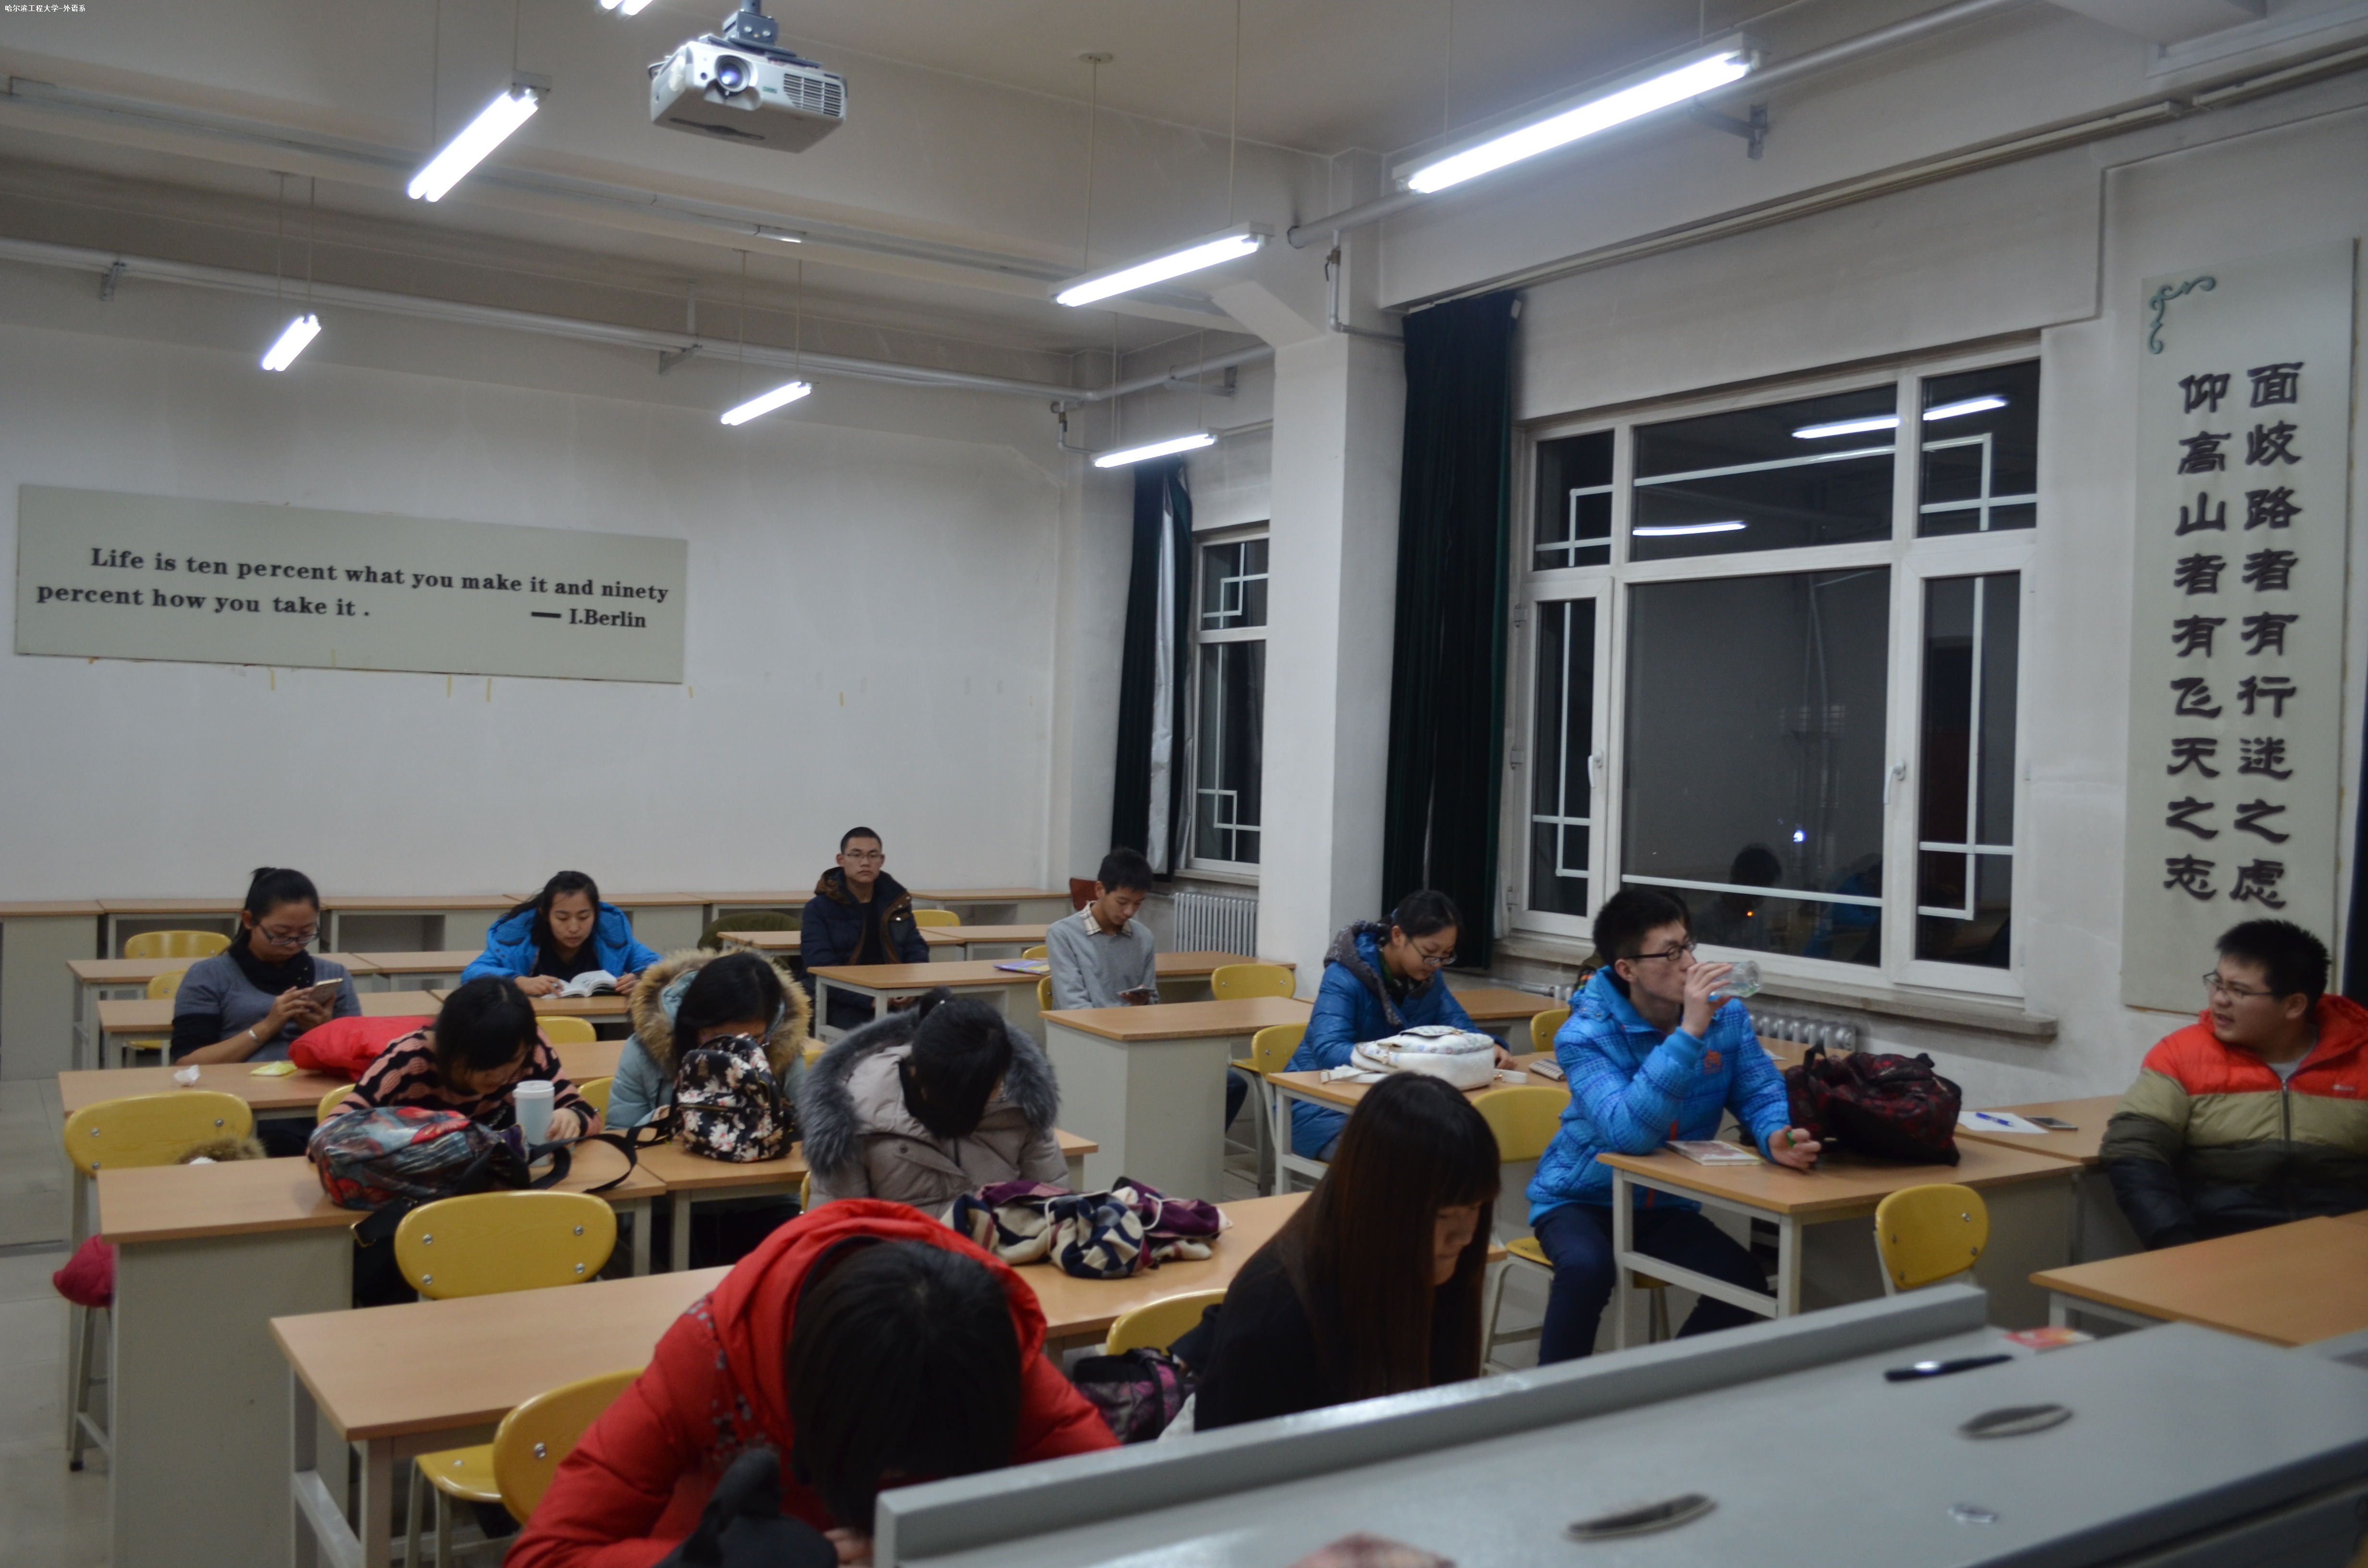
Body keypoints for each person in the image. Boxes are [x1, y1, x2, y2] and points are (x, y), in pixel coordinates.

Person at [505, 1201, 1117, 1568]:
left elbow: (1125, 1519)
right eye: (884, 1464)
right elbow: (545, 1556)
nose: (897, 1481)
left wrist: (945, 1548)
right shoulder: (713, 1358)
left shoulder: (981, 1352)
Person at [1526, 888, 1820, 1363]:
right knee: (1587, 1269)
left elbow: (1758, 1089)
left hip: (1663, 1202)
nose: (1689, 964)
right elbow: (1629, 1135)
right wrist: (1689, 1033)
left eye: (1687, 946)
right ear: (1627, 969)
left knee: (1743, 1282)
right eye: (1669, 954)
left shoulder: (1726, 1016)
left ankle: (1668, 1388)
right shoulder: (1584, 1036)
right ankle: (1550, 1402)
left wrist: (1774, 1134)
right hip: (1581, 1199)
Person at [1191, 1074, 1497, 1429]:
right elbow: (1243, 1460)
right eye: (1443, 1215)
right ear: (1378, 1207)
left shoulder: (1440, 1274)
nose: (1466, 1236)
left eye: (1475, 1208)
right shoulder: (1275, 1314)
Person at [2103, 919, 2368, 1249]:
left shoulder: (2360, 1060)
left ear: (2294, 1005)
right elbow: (2133, 1148)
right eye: (2217, 984)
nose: (2219, 1000)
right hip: (2220, 1241)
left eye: (2239, 991)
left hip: (2343, 1246)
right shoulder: (2182, 1056)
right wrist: (2176, 1241)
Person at [1283, 891, 1507, 1162]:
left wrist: (1489, 1047)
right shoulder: (1344, 975)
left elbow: (1460, 1028)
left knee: (1465, 1146)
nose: (1436, 965)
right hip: (1319, 1109)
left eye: (1446, 956)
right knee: (1410, 1161)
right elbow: (1328, 1050)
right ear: (1399, 936)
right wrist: (1401, 1062)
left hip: (1391, 1109)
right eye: (1430, 953)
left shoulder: (1428, 979)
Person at [800, 989, 1067, 1212]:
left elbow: (1053, 1209)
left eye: (994, 1088)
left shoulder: (1021, 1104)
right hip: (900, 1256)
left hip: (999, 1251)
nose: (988, 1101)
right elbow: (838, 1232)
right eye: (974, 1096)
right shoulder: (856, 1117)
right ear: (922, 1079)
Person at [349, 976, 598, 1139]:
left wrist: (573, 1118)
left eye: (511, 1062)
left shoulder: (529, 1047)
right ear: (452, 1047)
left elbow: (589, 1114)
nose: (500, 1076)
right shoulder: (407, 1061)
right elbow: (335, 1130)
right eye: (486, 1064)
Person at [170, 867, 360, 1068]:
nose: (293, 944)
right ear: (249, 920)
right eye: (281, 934)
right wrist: (268, 1026)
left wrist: (324, 1030)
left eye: (306, 933)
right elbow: (187, 1063)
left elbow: (360, 1052)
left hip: (316, 1083)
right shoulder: (209, 975)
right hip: (238, 1085)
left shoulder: (333, 974)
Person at [608, 949, 812, 1131]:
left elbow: (809, 1128)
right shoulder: (643, 1052)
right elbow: (618, 1134)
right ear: (695, 1026)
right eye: (721, 1039)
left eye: (753, 1040)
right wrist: (663, 1118)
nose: (734, 1053)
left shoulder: (781, 1047)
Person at [801, 827, 931, 1033]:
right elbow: (820, 965)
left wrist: (912, 988)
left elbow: (915, 947)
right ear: (841, 860)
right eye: (856, 855)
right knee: (873, 1036)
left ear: (882, 860)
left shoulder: (895, 902)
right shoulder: (819, 909)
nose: (865, 862)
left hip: (895, 993)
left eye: (873, 855)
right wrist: (867, 999)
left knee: (949, 1022)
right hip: (843, 997)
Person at [463, 871, 663, 997]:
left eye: (584, 917)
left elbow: (659, 966)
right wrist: (519, 982)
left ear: (596, 914)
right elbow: (472, 973)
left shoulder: (611, 937)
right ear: (545, 914)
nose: (574, 928)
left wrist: (640, 979)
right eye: (562, 918)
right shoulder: (518, 938)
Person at [1046, 847, 1159, 1011]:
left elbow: (1153, 1001)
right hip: (1082, 1025)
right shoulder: (1063, 934)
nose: (1130, 912)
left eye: (1137, 903)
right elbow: (1073, 1005)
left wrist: (1144, 1003)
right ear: (1100, 890)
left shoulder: (1144, 937)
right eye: (1122, 902)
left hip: (1132, 1023)